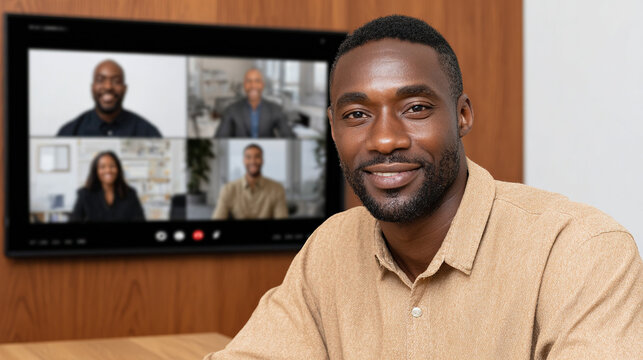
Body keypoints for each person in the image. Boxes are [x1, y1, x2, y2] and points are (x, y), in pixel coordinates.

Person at [206, 16, 642, 359]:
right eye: (357, 114)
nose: (384, 140)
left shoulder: (580, 250)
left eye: (415, 108)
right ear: (334, 129)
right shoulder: (329, 248)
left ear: (463, 115)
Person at [57, 59, 162, 137]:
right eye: (100, 80)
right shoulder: (70, 132)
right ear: (92, 87)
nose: (108, 87)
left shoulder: (147, 132)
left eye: (116, 81)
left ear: (125, 88)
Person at [212, 143, 288, 220]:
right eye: (248, 157)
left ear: (262, 160)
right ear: (244, 161)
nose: (253, 161)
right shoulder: (228, 189)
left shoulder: (277, 189)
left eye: (257, 157)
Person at [214, 68, 295, 138]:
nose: (253, 85)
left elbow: (290, 138)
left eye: (257, 81)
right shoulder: (231, 110)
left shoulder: (275, 109)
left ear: (262, 85)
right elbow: (220, 139)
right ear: (244, 85)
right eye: (249, 81)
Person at [70, 151, 145, 222]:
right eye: (102, 167)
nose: (108, 170)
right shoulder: (84, 194)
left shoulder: (130, 194)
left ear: (118, 169)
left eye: (112, 166)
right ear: (96, 171)